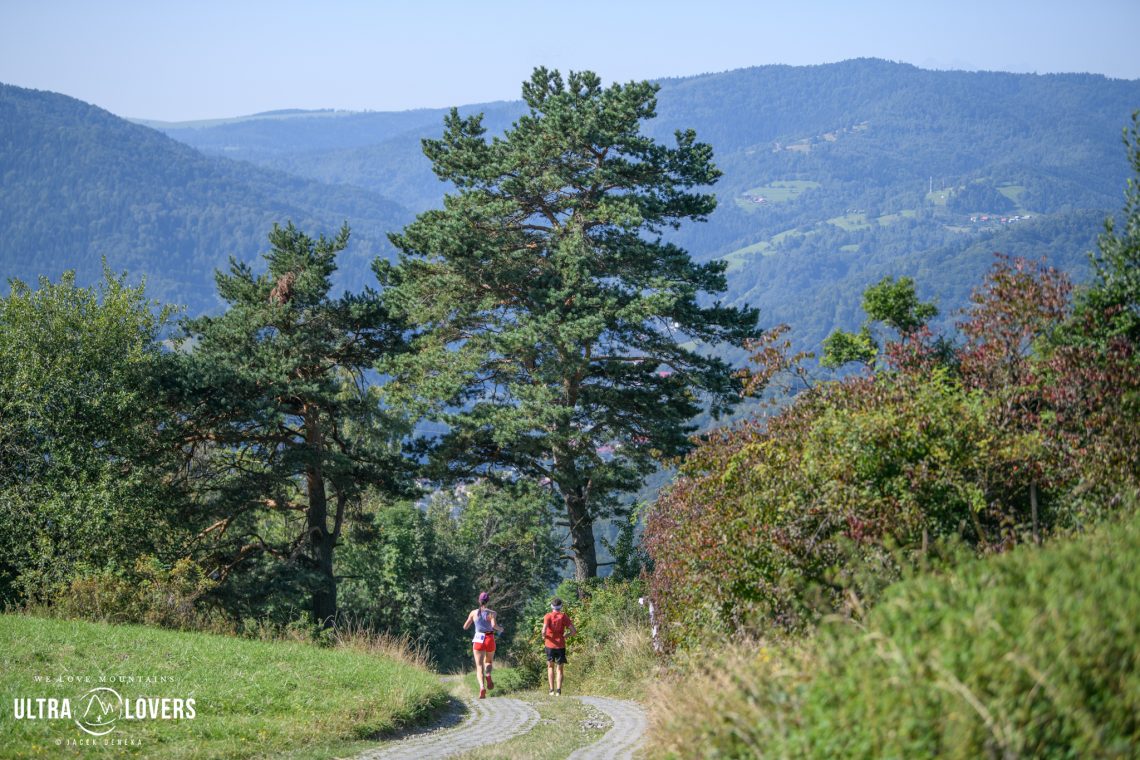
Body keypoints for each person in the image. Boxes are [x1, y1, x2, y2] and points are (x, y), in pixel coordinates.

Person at [463, 591, 502, 699]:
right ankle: (488, 675)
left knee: (479, 666)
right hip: (489, 638)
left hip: (478, 639)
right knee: (488, 661)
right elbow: (494, 625)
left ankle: (481, 687)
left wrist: (474, 623)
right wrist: (501, 628)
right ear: (488, 601)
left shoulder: (473, 613)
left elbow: (465, 627)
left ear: (478, 601)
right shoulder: (492, 613)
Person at [542, 597, 577, 696]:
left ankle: (551, 690)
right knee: (559, 668)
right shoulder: (563, 616)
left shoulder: (547, 616)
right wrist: (566, 635)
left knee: (550, 667)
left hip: (549, 644)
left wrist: (544, 636)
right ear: (561, 606)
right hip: (560, 645)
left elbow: (543, 630)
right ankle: (558, 691)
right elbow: (574, 631)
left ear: (551, 606)